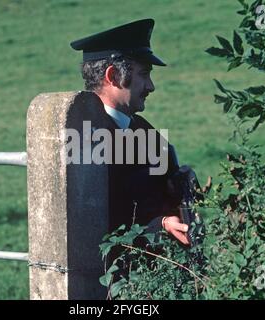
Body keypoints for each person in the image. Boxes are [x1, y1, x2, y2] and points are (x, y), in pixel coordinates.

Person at [70, 18, 191, 246]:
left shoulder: (146, 131)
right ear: (113, 76)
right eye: (144, 74)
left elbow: (165, 194)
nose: (151, 86)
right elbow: (94, 219)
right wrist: (160, 224)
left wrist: (182, 186)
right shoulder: (83, 140)